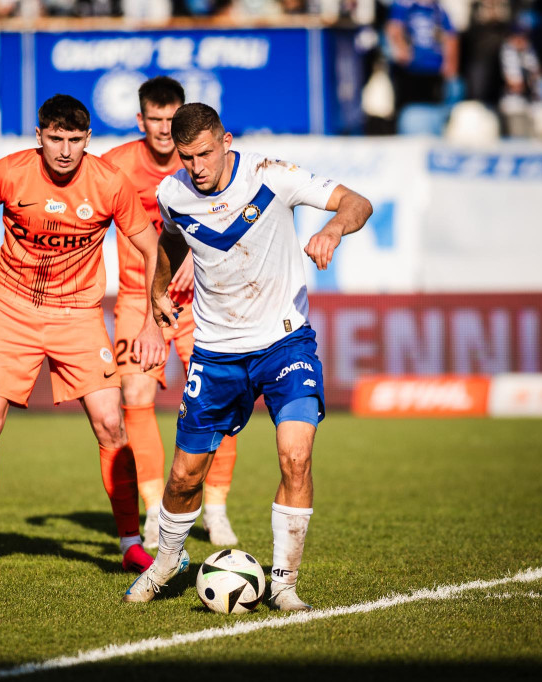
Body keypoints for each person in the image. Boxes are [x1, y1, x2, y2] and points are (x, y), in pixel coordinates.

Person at [123, 103, 372, 610]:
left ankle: (283, 584)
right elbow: (170, 240)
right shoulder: (172, 193)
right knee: (184, 476)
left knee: (295, 456)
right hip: (216, 354)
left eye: (205, 154)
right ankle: (169, 559)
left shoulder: (270, 175)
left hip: (285, 340)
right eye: (186, 156)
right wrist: (158, 289)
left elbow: (357, 202)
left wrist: (331, 230)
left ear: (226, 141)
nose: (197, 167)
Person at [0, 94, 166, 579]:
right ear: (39, 137)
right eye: (55, 139)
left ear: (88, 140)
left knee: (112, 423)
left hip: (80, 315)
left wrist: (152, 316)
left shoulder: (109, 183)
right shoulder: (9, 172)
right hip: (11, 311)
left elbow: (152, 247)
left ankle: (131, 543)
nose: (65, 151)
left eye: (74, 140)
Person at [102, 76, 240, 550]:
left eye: (171, 118)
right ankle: (155, 513)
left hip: (202, 299)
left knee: (219, 401)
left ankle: (216, 511)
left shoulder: (203, 166)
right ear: (141, 120)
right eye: (155, 119)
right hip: (137, 300)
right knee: (135, 397)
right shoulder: (116, 165)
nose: (164, 129)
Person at [386, 0, 459, 114]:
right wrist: (402, 49)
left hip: (434, 70)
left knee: (432, 109)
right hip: (410, 70)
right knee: (408, 109)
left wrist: (450, 63)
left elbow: (451, 37)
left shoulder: (438, 9)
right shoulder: (405, 5)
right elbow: (394, 28)